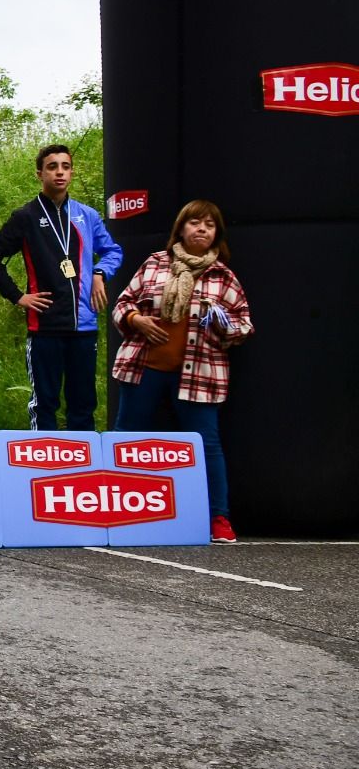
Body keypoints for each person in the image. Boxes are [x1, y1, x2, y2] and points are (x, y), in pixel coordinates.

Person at [111, 200, 253, 543]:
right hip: (143, 366)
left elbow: (244, 325)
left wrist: (222, 323)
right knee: (127, 437)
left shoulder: (224, 276)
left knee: (207, 445)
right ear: (181, 228)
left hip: (199, 374)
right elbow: (122, 304)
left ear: (216, 234)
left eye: (209, 225)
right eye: (194, 223)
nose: (201, 229)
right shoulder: (155, 264)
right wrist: (136, 320)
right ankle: (114, 510)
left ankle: (219, 518)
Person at [0, 143, 123, 430]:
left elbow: (113, 251)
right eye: (52, 167)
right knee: (45, 402)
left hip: (84, 325)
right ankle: (43, 468)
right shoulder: (26, 217)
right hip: (44, 327)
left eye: (65, 167)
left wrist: (99, 273)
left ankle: (83, 468)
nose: (60, 173)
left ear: (71, 173)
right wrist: (18, 296)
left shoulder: (87, 216)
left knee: (83, 403)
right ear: (39, 174)